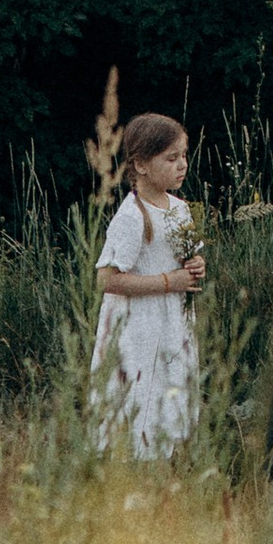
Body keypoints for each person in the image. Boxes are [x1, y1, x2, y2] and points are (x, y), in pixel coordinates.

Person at [90, 110, 206, 456]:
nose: (182, 165)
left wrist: (195, 265)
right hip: (138, 328)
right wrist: (170, 281)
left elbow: (184, 256)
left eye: (184, 156)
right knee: (141, 395)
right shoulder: (132, 216)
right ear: (140, 165)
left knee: (171, 395)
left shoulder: (179, 209)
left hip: (171, 323)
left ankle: (165, 463)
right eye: (171, 158)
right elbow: (106, 279)